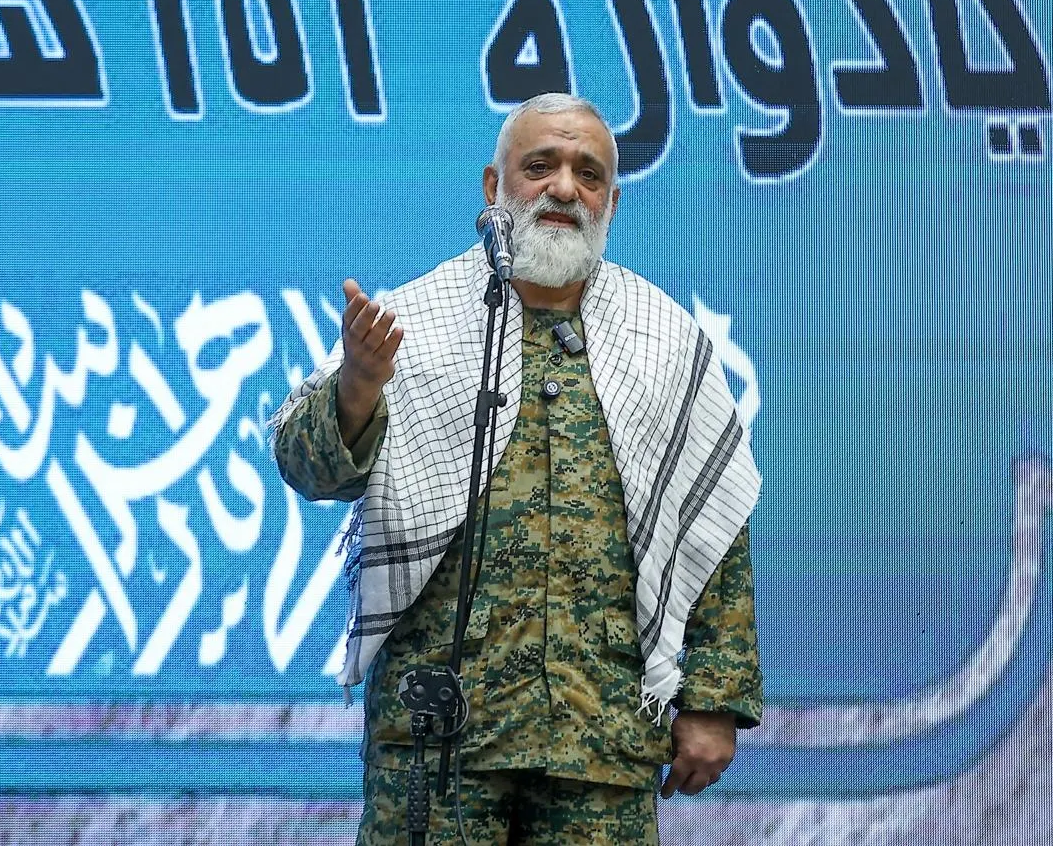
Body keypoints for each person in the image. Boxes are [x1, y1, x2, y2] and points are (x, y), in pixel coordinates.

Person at [272, 92, 763, 845]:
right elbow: (309, 470)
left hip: (600, 734)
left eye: (588, 174)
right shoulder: (414, 320)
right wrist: (359, 387)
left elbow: (716, 526)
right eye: (540, 166)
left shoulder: (665, 339)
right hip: (439, 734)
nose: (564, 188)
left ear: (611, 203)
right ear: (493, 187)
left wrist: (713, 699)